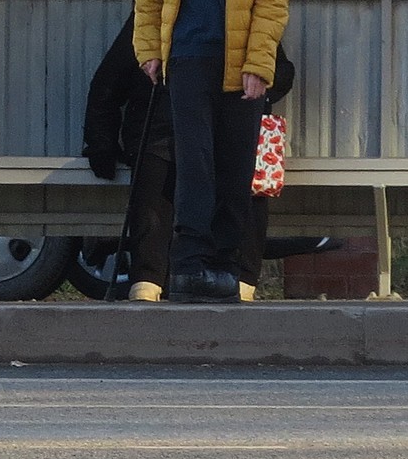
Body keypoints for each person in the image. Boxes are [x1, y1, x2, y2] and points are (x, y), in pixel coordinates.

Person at [131, 0, 291, 303]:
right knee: (194, 162)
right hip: (187, 55)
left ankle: (225, 266)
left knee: (235, 163)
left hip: (241, 59)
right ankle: (189, 265)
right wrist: (150, 48)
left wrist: (259, 64)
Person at [84, 16, 293, 301]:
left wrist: (101, 144)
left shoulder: (156, 16)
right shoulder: (245, 17)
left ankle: (149, 280)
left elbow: (109, 81)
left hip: (162, 131)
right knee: (235, 187)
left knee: (156, 193)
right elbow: (281, 72)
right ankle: (238, 279)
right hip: (189, 132)